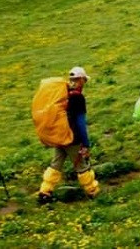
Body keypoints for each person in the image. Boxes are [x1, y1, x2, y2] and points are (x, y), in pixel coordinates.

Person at [37, 67, 99, 204]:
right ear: (81, 80)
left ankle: (44, 192)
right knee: (82, 166)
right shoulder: (78, 98)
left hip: (60, 136)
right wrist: (86, 143)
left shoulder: (63, 94)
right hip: (72, 138)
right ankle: (92, 191)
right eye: (84, 80)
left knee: (56, 164)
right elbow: (80, 123)